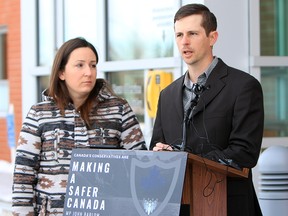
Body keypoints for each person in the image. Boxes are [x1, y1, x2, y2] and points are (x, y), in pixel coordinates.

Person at [150, 4, 264, 216]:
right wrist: (160, 155)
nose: (184, 41)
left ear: (212, 38)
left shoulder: (244, 86)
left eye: (193, 33)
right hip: (177, 207)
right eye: (179, 35)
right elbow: (155, 147)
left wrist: (185, 157)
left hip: (228, 206)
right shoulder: (167, 95)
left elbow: (245, 153)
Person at [12, 37, 147, 215]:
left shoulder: (118, 109)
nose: (89, 72)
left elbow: (140, 164)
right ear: (61, 72)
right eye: (80, 65)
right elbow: (23, 176)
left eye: (93, 65)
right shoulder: (39, 114)